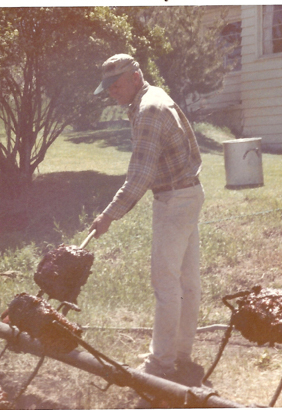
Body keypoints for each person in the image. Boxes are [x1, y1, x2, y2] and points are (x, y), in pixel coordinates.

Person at [89, 54, 205, 386]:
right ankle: (179, 355)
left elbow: (140, 175)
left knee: (167, 284)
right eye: (108, 87)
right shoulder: (153, 98)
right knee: (186, 283)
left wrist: (108, 216)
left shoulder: (149, 109)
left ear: (136, 77)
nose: (112, 91)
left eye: (117, 84)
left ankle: (160, 366)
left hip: (174, 200)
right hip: (188, 193)